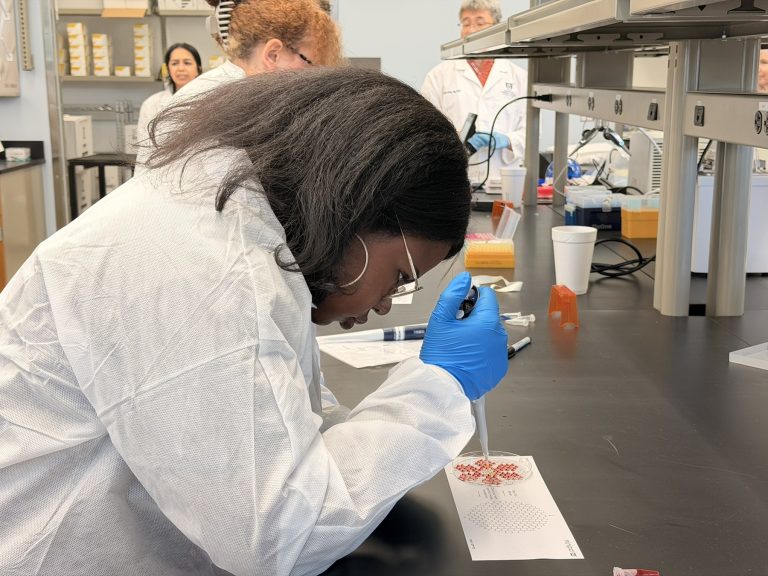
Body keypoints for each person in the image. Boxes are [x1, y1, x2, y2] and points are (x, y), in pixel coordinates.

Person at [0, 68, 509, 576]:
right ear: (355, 209)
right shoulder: (202, 268)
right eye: (400, 275)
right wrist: (441, 386)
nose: (384, 304)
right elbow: (279, 538)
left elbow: (283, 427)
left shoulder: (243, 223)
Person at [133, 0, 342, 175]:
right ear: (273, 55)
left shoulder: (238, 88)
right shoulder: (223, 105)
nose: (313, 77)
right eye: (310, 63)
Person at [421, 0, 527, 187]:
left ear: (496, 27)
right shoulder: (438, 76)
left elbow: (531, 134)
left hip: (503, 182)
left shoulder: (519, 77)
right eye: (466, 23)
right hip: (451, 180)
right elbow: (423, 130)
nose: (471, 30)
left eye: (479, 23)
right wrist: (455, 138)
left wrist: (505, 140)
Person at [135, 42, 202, 146]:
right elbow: (144, 146)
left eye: (187, 63)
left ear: (198, 68)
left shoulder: (211, 101)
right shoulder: (151, 104)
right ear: (168, 69)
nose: (181, 68)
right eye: (175, 63)